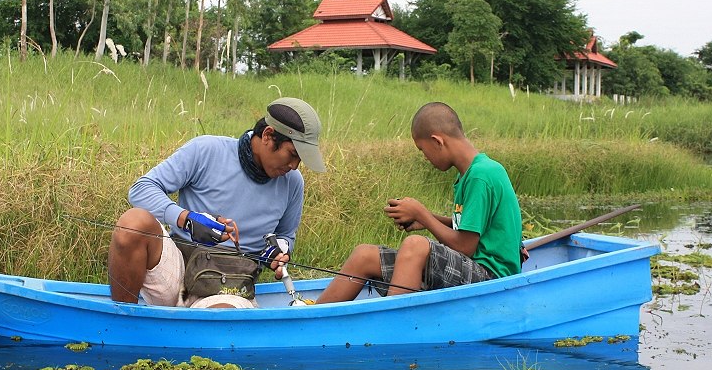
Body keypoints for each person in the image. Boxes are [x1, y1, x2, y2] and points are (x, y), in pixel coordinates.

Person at [107, 97, 326, 306]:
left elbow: (286, 236)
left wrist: (278, 252)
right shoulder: (206, 150)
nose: (295, 166)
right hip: (176, 270)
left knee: (222, 317)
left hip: (230, 286)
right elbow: (141, 189)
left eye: (300, 160)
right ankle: (122, 322)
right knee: (133, 223)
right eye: (292, 154)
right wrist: (186, 219)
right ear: (268, 135)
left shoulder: (293, 182)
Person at [315, 101, 521, 304]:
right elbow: (472, 226)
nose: (424, 157)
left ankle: (392, 325)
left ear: (437, 141)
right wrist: (428, 219)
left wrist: (422, 214)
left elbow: (465, 246)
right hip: (471, 269)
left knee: (415, 246)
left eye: (422, 150)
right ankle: (313, 319)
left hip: (492, 280)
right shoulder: (469, 174)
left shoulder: (480, 175)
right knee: (364, 255)